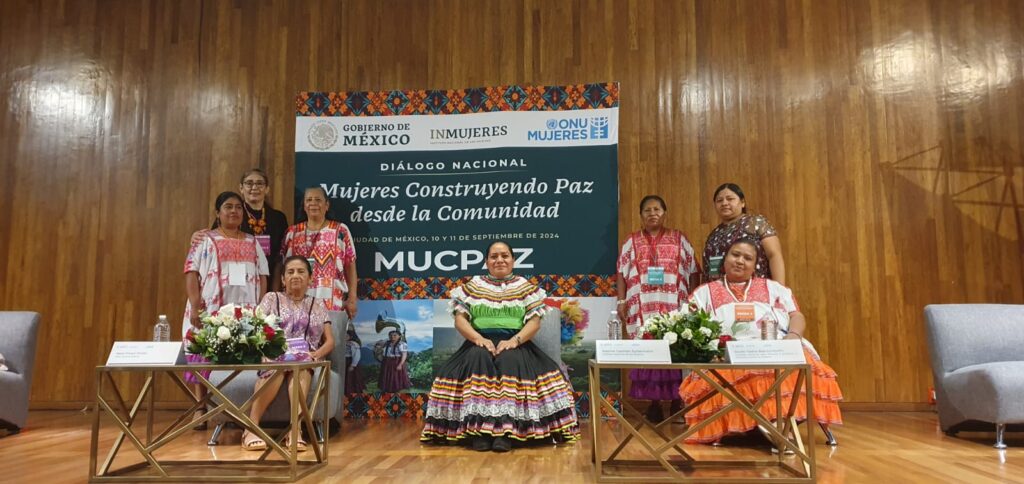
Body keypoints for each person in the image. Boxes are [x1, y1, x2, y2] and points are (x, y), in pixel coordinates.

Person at [680, 238, 842, 445]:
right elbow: (689, 324)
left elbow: (796, 315)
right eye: (735, 255)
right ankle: (773, 427)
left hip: (775, 346)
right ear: (725, 259)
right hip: (727, 352)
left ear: (756, 265)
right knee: (733, 371)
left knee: (796, 362)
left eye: (747, 258)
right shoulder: (703, 293)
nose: (740, 261)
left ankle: (771, 424)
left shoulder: (774, 288)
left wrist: (793, 336)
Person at [421, 241, 579, 452]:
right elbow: (460, 320)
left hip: (516, 342)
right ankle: (479, 433)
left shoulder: (525, 287)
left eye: (505, 255)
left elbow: (534, 322)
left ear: (513, 260)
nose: (500, 260)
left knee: (510, 360)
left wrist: (515, 341)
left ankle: (506, 432)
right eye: (494, 256)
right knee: (478, 358)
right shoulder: (473, 287)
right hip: (478, 341)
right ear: (486, 261)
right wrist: (478, 339)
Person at [183, 191, 269, 429]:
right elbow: (191, 271)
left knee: (243, 353)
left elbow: (263, 275)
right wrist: (194, 304)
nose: (234, 211)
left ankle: (237, 407)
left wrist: (261, 306)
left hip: (245, 310)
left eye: (238, 208)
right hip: (209, 308)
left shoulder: (253, 242)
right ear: (218, 213)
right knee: (202, 354)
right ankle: (201, 407)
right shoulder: (205, 240)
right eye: (228, 207)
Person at [615, 195, 699, 422]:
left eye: (657, 209)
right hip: (642, 306)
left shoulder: (679, 238)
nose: (652, 214)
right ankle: (652, 404)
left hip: (673, 304)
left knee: (675, 351)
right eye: (647, 210)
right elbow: (622, 273)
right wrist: (621, 301)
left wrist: (692, 301)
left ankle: (676, 402)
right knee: (648, 350)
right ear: (641, 216)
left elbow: (692, 270)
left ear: (664, 213)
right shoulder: (631, 241)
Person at [241, 256, 334, 451]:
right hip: (275, 357)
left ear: (310, 278)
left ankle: (295, 430)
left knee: (299, 369)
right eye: (290, 272)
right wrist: (266, 351)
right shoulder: (271, 299)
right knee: (277, 368)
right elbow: (256, 330)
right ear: (283, 279)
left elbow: (330, 341)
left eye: (301, 271)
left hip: (305, 358)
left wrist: (315, 355)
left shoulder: (318, 304)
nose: (295, 276)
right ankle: (251, 428)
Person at [190, 169, 289, 286]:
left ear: (267, 189)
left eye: (259, 183)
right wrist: (198, 238)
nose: (254, 187)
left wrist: (275, 288)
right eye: (249, 183)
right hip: (235, 278)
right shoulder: (232, 214)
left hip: (269, 277)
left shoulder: (278, 218)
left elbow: (281, 255)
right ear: (241, 188)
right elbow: (214, 242)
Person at [280, 187, 358, 318]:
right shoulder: (292, 232)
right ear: (304, 206)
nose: (313, 203)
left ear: (326, 205)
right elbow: (281, 267)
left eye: (318, 200)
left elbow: (350, 266)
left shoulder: (340, 231)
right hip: (297, 303)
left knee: (331, 338)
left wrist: (352, 299)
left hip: (332, 302)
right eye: (309, 200)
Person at [702, 183, 786, 284]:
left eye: (730, 199)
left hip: (756, 292)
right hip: (721, 294)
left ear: (742, 203)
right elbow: (709, 270)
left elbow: (774, 255)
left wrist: (780, 290)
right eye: (719, 200)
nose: (724, 203)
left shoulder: (756, 223)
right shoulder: (713, 235)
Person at [345, 327, 365, 394]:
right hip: (345, 362)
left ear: (351, 336)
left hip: (350, 362)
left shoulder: (353, 344)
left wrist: (353, 365)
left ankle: (353, 392)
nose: (345, 337)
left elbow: (356, 355)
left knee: (352, 377)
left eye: (346, 335)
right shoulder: (344, 343)